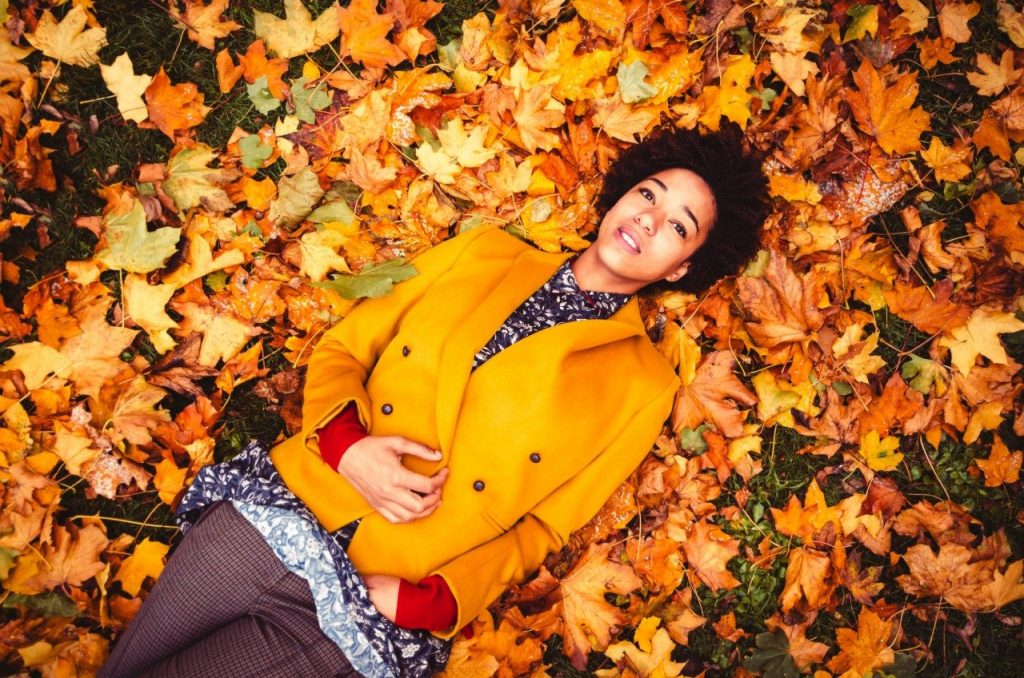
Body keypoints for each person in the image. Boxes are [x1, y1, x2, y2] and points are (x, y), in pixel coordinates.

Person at [100, 123, 768, 677]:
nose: (649, 219)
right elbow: (343, 350)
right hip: (280, 509)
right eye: (648, 195)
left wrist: (438, 602)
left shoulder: (643, 385)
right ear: (621, 196)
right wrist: (347, 447)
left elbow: (544, 529)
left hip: (362, 605)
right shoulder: (484, 250)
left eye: (678, 226)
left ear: (681, 268)